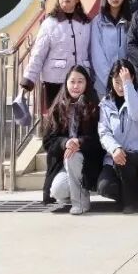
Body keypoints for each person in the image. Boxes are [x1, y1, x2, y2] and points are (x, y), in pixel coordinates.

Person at [42, 65, 102, 213]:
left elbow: (98, 139)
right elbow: (48, 142)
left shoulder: (94, 106)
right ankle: (75, 191)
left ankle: (80, 203)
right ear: (66, 83)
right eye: (72, 81)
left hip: (87, 161)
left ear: (87, 83)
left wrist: (79, 142)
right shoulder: (58, 108)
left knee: (73, 155)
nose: (76, 86)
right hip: (63, 163)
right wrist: (65, 143)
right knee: (58, 190)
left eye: (80, 81)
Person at [22, 0, 91, 108]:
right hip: (55, 81)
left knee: (79, 117)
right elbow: (38, 53)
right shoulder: (49, 23)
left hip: (80, 82)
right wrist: (28, 79)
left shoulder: (86, 24)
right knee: (56, 118)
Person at [97, 60, 138, 212]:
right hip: (114, 157)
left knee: (125, 162)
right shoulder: (106, 103)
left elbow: (136, 113)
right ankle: (130, 196)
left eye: (124, 80)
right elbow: (104, 132)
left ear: (132, 78)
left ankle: (130, 202)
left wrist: (128, 86)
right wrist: (115, 149)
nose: (120, 86)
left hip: (135, 156)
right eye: (117, 82)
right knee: (104, 187)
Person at [89, 0, 130, 99]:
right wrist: (111, 80)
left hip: (127, 82)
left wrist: (125, 79)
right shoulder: (97, 22)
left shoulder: (130, 21)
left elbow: (132, 51)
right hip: (104, 85)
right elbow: (97, 55)